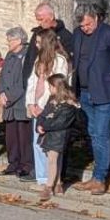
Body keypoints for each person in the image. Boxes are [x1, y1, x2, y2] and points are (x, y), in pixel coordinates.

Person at [70, 4, 110, 194]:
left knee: (100, 133)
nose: (85, 29)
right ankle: (98, 173)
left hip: (105, 93)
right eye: (82, 26)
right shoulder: (77, 34)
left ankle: (100, 178)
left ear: (95, 17)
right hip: (84, 92)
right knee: (93, 132)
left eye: (88, 24)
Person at [26, 30, 72, 187]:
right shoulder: (38, 59)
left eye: (39, 42)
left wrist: (42, 106)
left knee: (51, 146)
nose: (36, 45)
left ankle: (52, 180)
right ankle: (42, 178)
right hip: (36, 105)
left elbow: (56, 86)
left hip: (50, 107)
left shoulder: (60, 61)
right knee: (37, 143)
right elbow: (32, 82)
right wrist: (31, 103)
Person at [36, 74, 79, 202]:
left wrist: (44, 125)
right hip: (50, 134)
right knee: (55, 159)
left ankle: (49, 186)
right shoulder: (52, 99)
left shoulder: (69, 105)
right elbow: (44, 113)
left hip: (60, 135)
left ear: (57, 87)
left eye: (50, 86)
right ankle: (58, 183)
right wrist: (39, 124)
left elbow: (60, 122)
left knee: (52, 159)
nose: (49, 89)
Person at [0, 27, 31, 181]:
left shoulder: (27, 55)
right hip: (8, 104)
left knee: (24, 137)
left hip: (20, 103)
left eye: (10, 40)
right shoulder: (9, 55)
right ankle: (13, 163)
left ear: (19, 41)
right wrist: (1, 92)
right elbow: (2, 76)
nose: (8, 43)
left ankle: (26, 166)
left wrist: (10, 97)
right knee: (11, 137)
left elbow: (24, 81)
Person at [22, 2, 75, 87]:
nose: (39, 23)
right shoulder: (37, 34)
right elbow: (29, 59)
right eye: (37, 19)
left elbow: (68, 65)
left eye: (41, 19)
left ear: (51, 17)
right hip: (33, 83)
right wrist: (25, 82)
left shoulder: (66, 37)